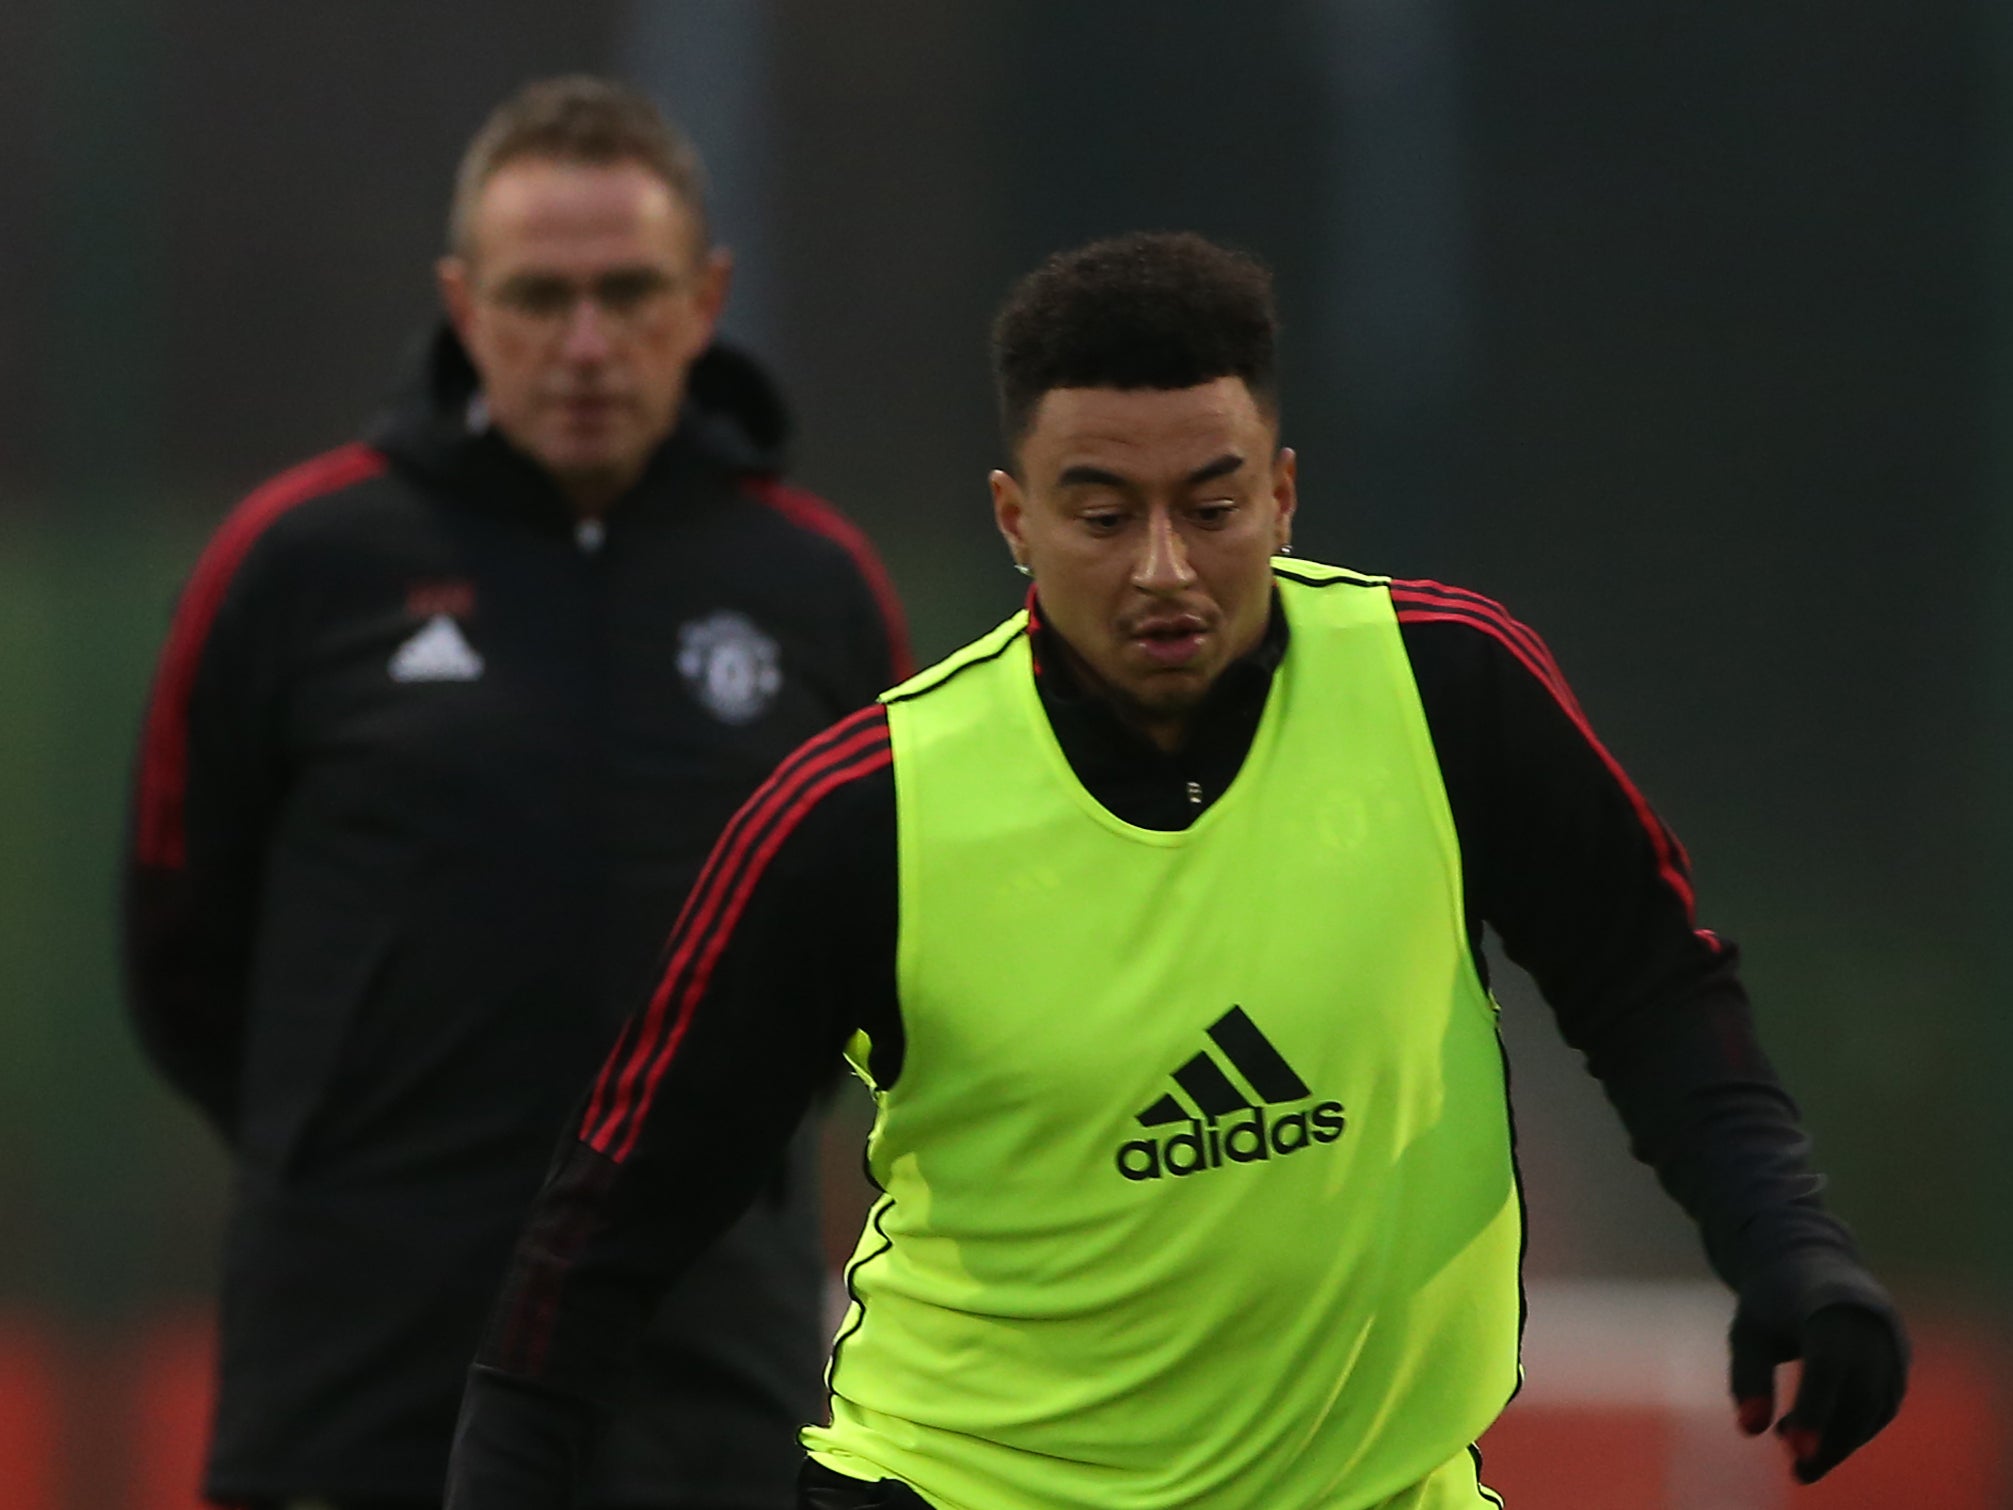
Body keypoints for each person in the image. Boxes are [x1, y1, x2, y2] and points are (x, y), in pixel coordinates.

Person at [441, 231, 1906, 1510]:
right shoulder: (861, 813)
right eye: (1099, 513)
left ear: (1279, 492)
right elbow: (617, 1216)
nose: (1162, 568)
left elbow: (1649, 988)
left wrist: (1789, 1243)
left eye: (1209, 507)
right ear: (1016, 521)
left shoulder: (1445, 690)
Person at [123, 76, 910, 1510]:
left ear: (706, 294)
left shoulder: (817, 590)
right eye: (541, 294)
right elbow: (182, 948)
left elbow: (886, 956)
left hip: (706, 1385)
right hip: (357, 1385)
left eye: (629, 289)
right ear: (462, 300)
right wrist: (359, 1144)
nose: (586, 343)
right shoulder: (293, 565)